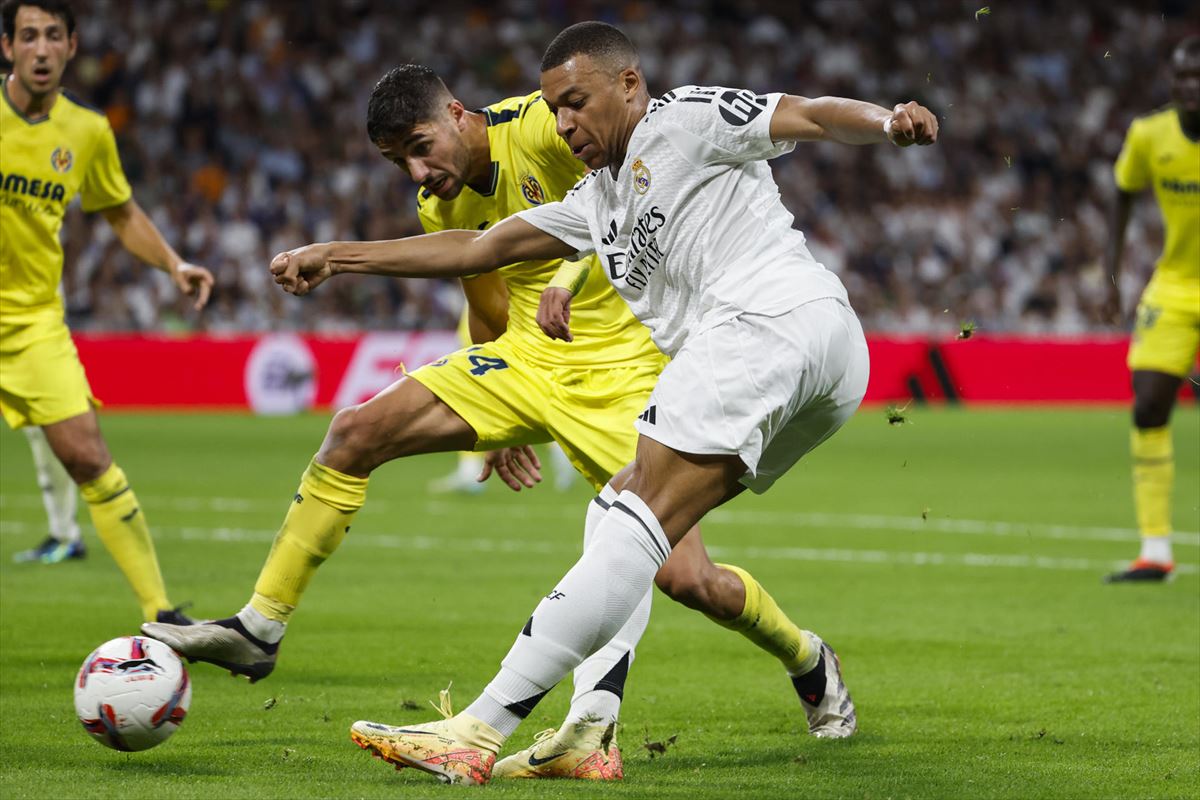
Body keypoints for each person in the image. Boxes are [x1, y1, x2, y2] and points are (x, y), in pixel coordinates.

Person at [266, 22, 937, 785]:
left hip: (767, 320)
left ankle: (479, 730)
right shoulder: (595, 202)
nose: (564, 126)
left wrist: (888, 122)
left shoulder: (683, 118)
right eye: (554, 111)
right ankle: (661, 709)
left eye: (576, 104)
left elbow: (810, 113)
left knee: (630, 520)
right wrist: (338, 257)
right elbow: (476, 250)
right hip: (824, 363)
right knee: (630, 521)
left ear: (629, 85)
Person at [143, 64, 835, 780]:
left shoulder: (545, 126)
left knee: (688, 579)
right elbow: (485, 297)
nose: (418, 170)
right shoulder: (438, 205)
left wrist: (566, 280)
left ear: (455, 112)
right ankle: (260, 626)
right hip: (528, 363)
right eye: (397, 163)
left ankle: (805, 656)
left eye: (421, 146)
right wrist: (496, 420)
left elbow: (626, 194)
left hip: (623, 366)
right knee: (354, 432)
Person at [0, 0, 213, 622]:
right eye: (29, 36)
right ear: (8, 47)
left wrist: (173, 264)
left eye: (53, 37)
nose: (41, 49)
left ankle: (162, 613)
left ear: (71, 46)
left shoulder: (87, 131)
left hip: (32, 323)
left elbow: (120, 211)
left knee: (89, 457)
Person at [1102, 36, 1200, 584]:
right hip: (1176, 285)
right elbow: (1122, 193)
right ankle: (1156, 551)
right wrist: (1111, 277)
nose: (1191, 88)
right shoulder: (1149, 134)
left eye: (1199, 79)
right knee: (1147, 407)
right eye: (1182, 79)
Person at [11, 426, 83, 563]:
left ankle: (66, 538)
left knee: (54, 469)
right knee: (49, 470)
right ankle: (63, 535)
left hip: (48, 411)